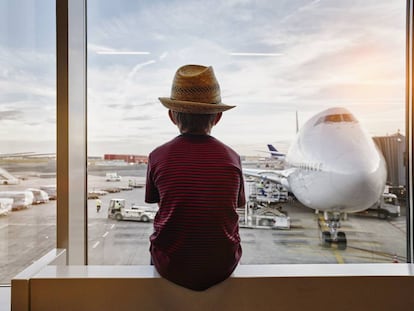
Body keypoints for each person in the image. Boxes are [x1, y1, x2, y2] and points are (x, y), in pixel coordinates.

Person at [145, 64, 245, 291]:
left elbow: (162, 204)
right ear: (218, 117)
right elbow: (236, 205)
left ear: (172, 116)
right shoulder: (233, 157)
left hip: (170, 266)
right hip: (223, 265)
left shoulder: (157, 156)